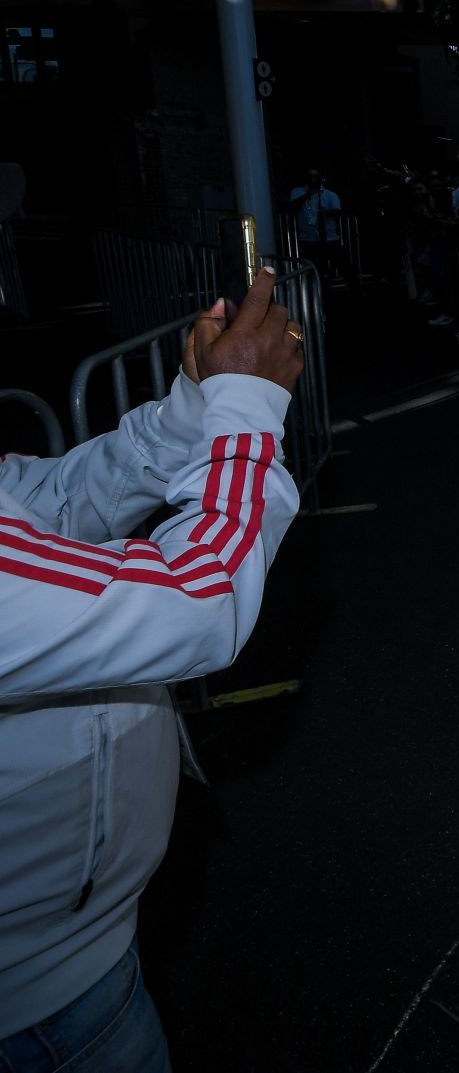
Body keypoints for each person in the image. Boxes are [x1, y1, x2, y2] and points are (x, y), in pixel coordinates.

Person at [1, 269, 303, 1071]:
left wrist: (191, 408)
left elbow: (48, 506)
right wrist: (244, 410)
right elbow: (200, 597)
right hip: (44, 1015)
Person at [288, 168, 344, 281]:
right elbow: (292, 207)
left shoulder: (329, 194)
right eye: (310, 176)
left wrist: (326, 213)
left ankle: (358, 293)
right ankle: (322, 295)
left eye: (315, 176)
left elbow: (338, 213)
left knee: (343, 265)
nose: (313, 179)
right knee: (315, 271)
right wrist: (307, 195)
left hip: (330, 238)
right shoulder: (297, 192)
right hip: (308, 239)